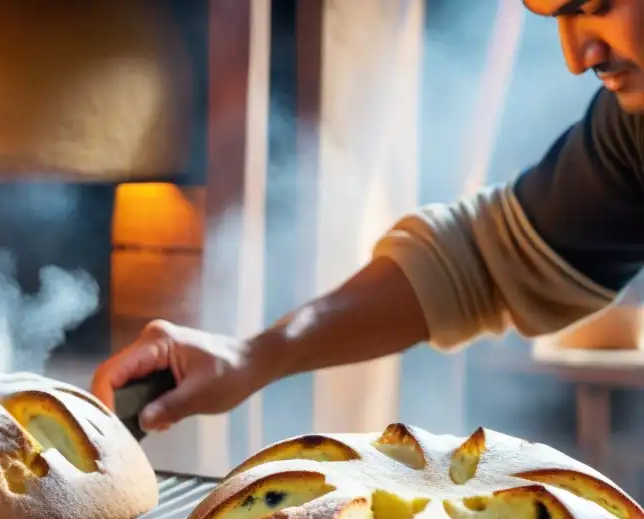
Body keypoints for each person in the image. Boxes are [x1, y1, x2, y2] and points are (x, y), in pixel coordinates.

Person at [91, 0, 644, 434]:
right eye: (556, 19)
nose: (578, 57)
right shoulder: (631, 133)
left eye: (594, 6)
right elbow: (482, 261)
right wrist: (253, 356)